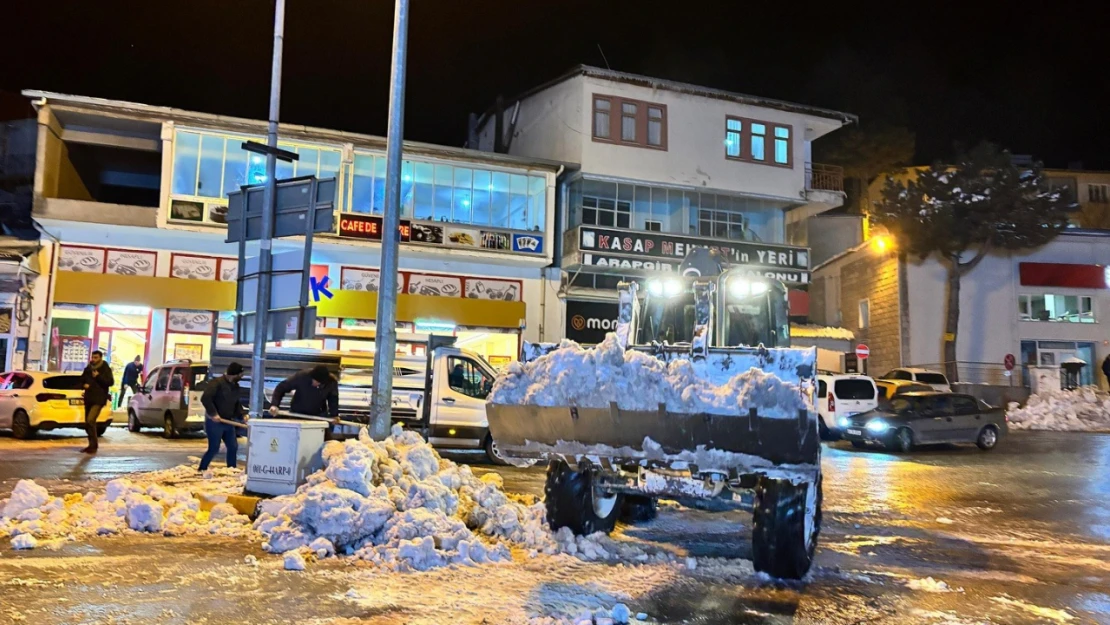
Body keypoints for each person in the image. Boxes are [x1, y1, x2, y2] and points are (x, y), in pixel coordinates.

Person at [199, 362, 248, 471]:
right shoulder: (216, 384)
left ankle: (231, 470)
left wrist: (242, 415)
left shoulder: (235, 387)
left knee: (233, 447)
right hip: (215, 422)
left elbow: (236, 404)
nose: (241, 377)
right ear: (234, 374)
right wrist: (213, 413)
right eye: (240, 375)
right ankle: (202, 468)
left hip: (227, 422)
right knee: (214, 448)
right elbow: (205, 398)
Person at [269, 365, 339, 420]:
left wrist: (334, 415)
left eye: (318, 382)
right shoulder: (302, 376)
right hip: (297, 414)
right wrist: (274, 405)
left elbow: (333, 399)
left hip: (319, 416)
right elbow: (281, 387)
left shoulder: (331, 382)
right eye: (314, 380)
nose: (314, 383)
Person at [80, 350, 114, 454]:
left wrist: (98, 377)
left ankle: (94, 446)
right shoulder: (88, 368)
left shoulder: (105, 368)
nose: (93, 360)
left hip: (99, 398)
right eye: (93, 357)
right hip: (89, 398)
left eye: (96, 358)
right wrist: (84, 385)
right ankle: (91, 445)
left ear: (100, 358)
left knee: (91, 420)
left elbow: (110, 382)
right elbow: (82, 379)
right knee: (88, 423)